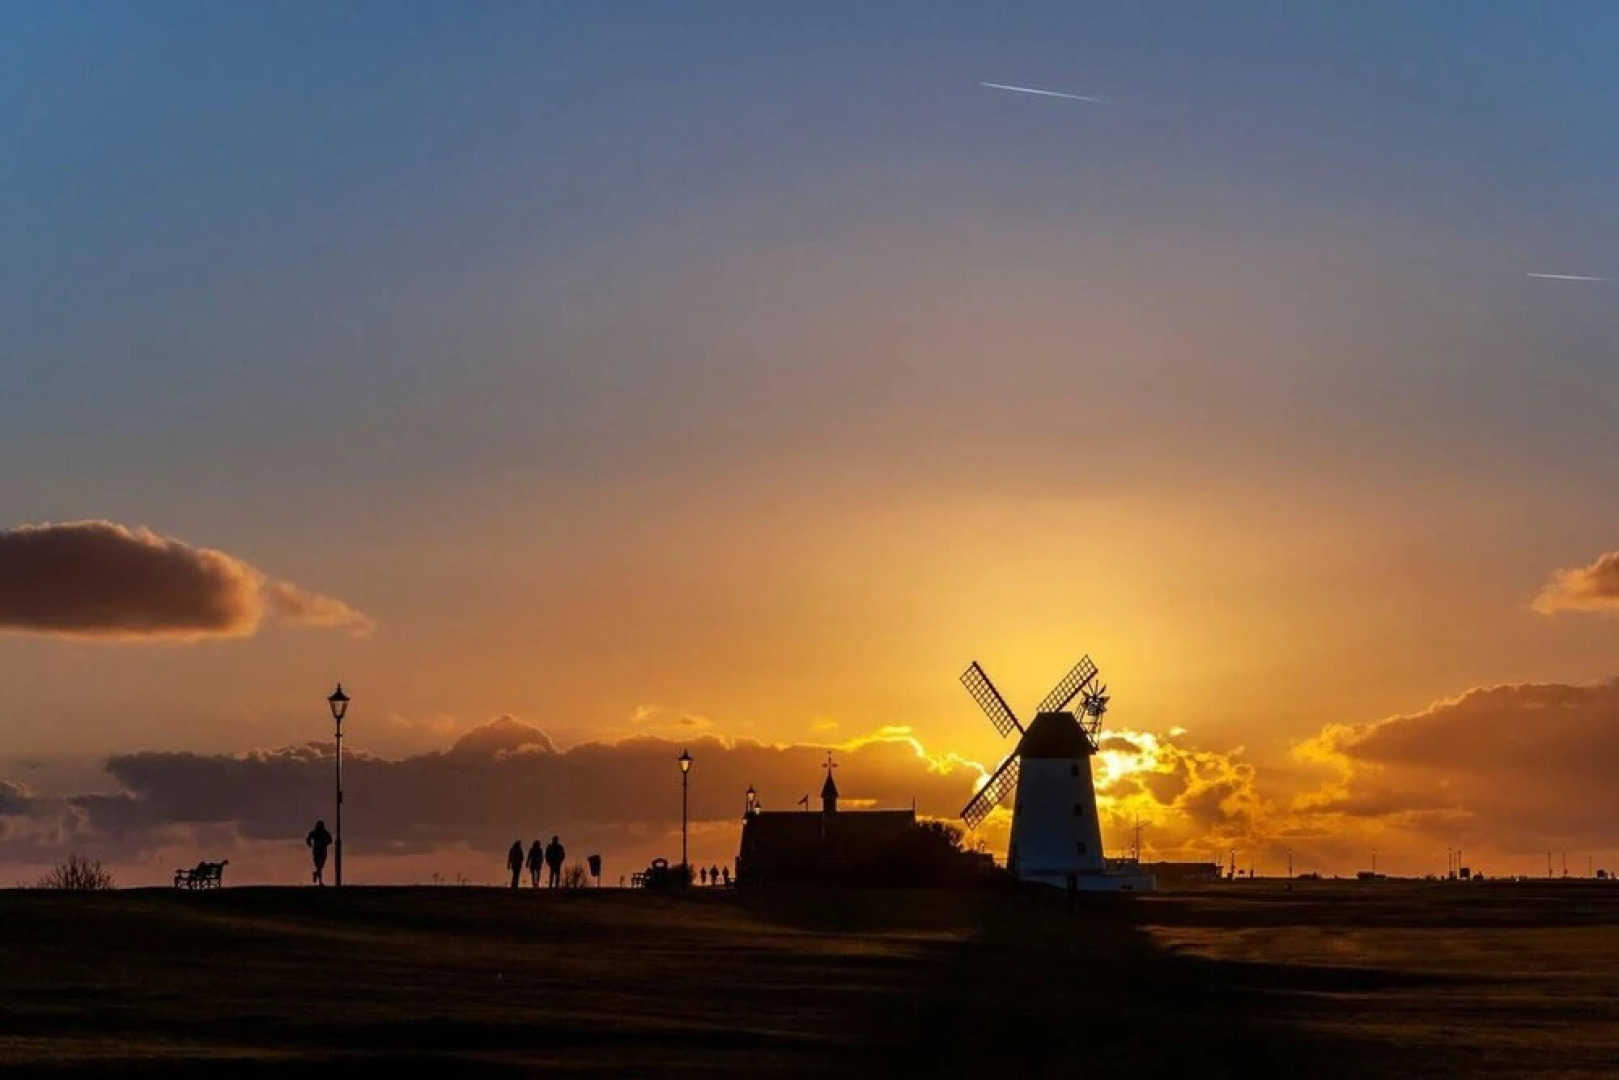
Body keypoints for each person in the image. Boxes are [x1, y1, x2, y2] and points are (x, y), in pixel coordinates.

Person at [305, 820, 333, 885]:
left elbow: (330, 840)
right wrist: (309, 844)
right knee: (319, 866)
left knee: (320, 866)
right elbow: (308, 838)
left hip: (319, 850)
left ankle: (317, 875)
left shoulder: (320, 832)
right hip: (319, 850)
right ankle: (319, 879)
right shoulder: (318, 832)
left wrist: (309, 844)